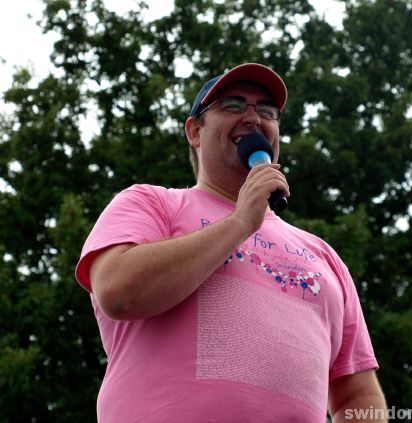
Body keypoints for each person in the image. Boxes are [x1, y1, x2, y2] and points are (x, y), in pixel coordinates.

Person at [76, 63, 387, 422]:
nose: (254, 119)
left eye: (267, 111)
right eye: (233, 106)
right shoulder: (151, 203)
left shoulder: (325, 257)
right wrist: (241, 222)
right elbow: (118, 291)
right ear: (194, 131)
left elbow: (357, 394)